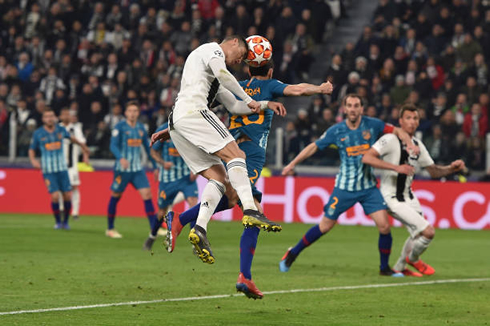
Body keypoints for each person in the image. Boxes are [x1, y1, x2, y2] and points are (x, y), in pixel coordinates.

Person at [162, 60, 333, 299]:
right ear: (270, 70)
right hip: (248, 155)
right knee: (252, 210)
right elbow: (298, 89)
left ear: (248, 69)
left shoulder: (236, 86)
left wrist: (166, 126)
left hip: (227, 146)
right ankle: (243, 275)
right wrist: (321, 89)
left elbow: (196, 107)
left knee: (232, 199)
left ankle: (183, 221)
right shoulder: (271, 85)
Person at [150, 35, 283, 265]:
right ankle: (251, 209)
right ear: (233, 42)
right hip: (193, 113)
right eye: (240, 56)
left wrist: (262, 104)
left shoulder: (210, 76)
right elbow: (225, 75)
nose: (238, 61)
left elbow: (235, 107)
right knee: (237, 155)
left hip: (179, 123)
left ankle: (199, 227)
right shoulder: (213, 50)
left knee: (220, 179)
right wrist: (247, 96)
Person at [279, 94, 418, 277]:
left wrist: (409, 144)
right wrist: (292, 164)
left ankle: (384, 269)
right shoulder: (336, 131)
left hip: (368, 188)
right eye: (349, 106)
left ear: (361, 108)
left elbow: (398, 131)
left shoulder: (373, 124)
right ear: (344, 109)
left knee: (384, 226)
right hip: (344, 188)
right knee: (325, 226)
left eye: (356, 106)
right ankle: (293, 253)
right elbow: (314, 147)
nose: (353, 109)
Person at [362, 104, 466, 276]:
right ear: (400, 121)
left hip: (408, 196)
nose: (411, 122)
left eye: (415, 118)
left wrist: (451, 168)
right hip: (391, 197)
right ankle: (413, 259)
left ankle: (400, 267)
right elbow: (367, 157)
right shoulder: (389, 139)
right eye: (408, 118)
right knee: (427, 232)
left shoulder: (418, 144)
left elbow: (433, 170)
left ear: (418, 122)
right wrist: (395, 168)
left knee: (417, 235)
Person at [28, 109, 89, 229]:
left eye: (51, 116)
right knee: (55, 196)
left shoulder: (60, 130)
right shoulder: (38, 133)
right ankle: (57, 222)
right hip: (48, 170)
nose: (49, 119)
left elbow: (72, 138)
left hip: (62, 169)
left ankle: (65, 222)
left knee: (67, 196)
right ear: (43, 119)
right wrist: (33, 160)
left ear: (55, 118)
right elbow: (32, 149)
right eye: (47, 117)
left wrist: (83, 147)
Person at [142, 121, 198, 251]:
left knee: (193, 205)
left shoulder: (191, 127)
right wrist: (162, 163)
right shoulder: (163, 130)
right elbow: (153, 152)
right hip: (168, 179)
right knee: (162, 211)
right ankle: (152, 236)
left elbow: (199, 149)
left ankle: (195, 243)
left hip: (186, 177)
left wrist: (195, 169)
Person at [106, 101, 158, 239]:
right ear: (125, 113)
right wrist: (121, 158)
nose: (132, 113)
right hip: (121, 170)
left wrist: (154, 166)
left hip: (137, 170)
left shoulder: (141, 128)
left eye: (135, 111)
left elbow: (147, 149)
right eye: (130, 111)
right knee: (115, 196)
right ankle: (110, 228)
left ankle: (154, 229)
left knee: (147, 194)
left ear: (138, 113)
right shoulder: (120, 127)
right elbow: (113, 146)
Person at [58, 108, 88, 220]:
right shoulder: (57, 129)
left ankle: (75, 212)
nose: (66, 116)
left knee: (74, 187)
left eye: (68, 114)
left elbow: (82, 143)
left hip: (72, 164)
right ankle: (61, 208)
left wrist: (85, 156)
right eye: (64, 114)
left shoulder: (75, 129)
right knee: (61, 187)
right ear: (60, 116)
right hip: (59, 164)